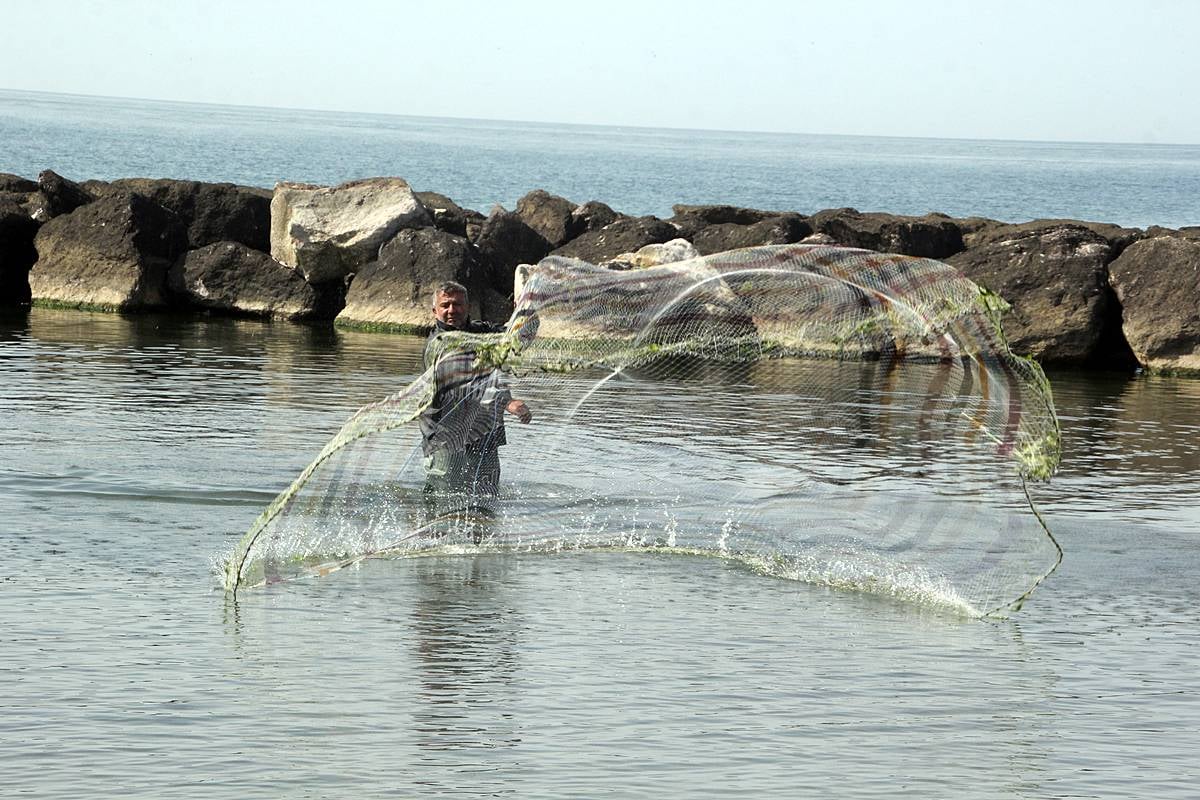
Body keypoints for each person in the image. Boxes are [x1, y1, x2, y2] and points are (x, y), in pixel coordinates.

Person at [419, 281, 531, 515]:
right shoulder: (438, 345)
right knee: (444, 506)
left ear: (468, 307)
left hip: (485, 434)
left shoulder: (484, 332)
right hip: (446, 437)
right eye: (445, 305)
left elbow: (523, 337)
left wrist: (525, 309)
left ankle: (484, 549)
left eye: (457, 304)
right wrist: (507, 402)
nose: (452, 310)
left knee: (486, 506)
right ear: (435, 311)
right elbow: (463, 383)